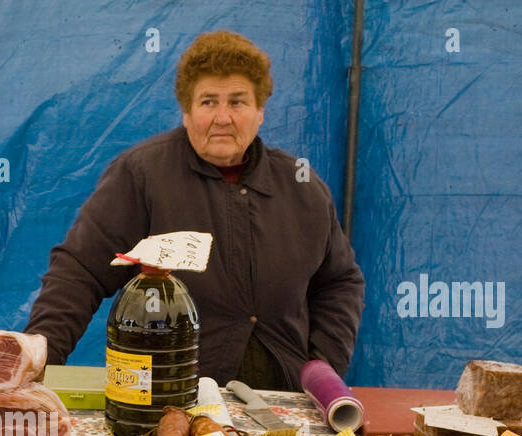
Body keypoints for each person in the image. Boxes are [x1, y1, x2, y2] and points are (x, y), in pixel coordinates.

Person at [25, 30, 364, 391]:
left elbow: (340, 282)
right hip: (167, 399)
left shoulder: (302, 187)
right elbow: (79, 272)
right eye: (207, 102)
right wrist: (36, 364)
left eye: (237, 102)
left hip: (283, 403)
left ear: (260, 111)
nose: (223, 117)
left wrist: (321, 368)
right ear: (186, 112)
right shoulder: (141, 175)